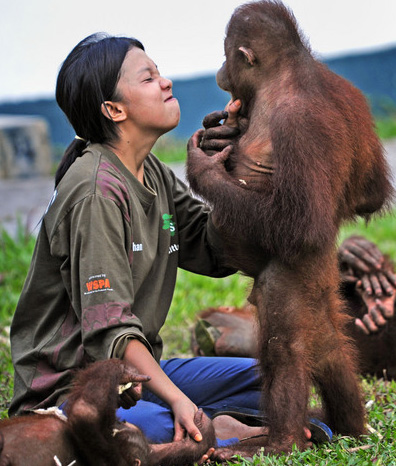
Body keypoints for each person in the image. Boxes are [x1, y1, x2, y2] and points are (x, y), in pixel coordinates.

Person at [9, 32, 270, 453]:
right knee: (172, 423)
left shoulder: (151, 172)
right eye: (148, 79)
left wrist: (230, 175)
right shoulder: (96, 193)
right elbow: (110, 331)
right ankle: (217, 428)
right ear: (113, 109)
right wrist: (180, 399)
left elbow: (212, 249)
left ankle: (218, 425)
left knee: (273, 376)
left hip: (140, 379)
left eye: (159, 73)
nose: (165, 83)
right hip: (73, 393)